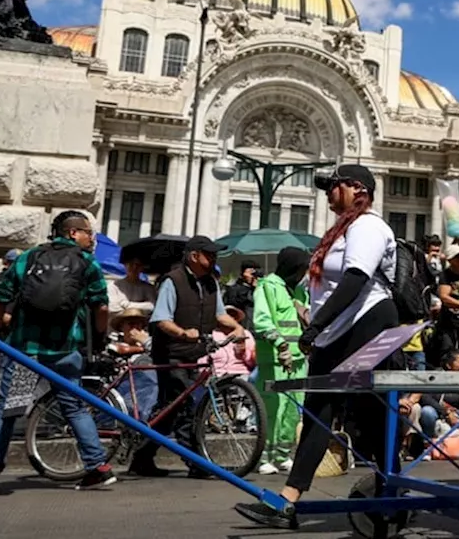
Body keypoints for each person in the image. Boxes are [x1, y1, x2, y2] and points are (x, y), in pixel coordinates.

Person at [235, 164, 399, 530]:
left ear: (357, 189)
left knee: (369, 417)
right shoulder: (341, 231)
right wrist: (316, 323)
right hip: (334, 331)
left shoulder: (369, 226)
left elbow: (356, 278)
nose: (327, 193)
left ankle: (393, 492)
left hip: (368, 322)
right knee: (316, 412)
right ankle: (287, 501)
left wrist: (317, 327)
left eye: (333, 187)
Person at [0, 211, 116, 493]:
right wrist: (98, 338)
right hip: (64, 352)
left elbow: (1, 299)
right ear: (72, 233)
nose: (92, 239)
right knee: (75, 407)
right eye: (88, 232)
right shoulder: (87, 263)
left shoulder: (28, 258)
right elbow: (102, 307)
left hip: (25, 351)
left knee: (9, 409)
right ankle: (97, 467)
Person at [133, 235, 247, 478]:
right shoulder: (172, 281)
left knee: (169, 408)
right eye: (210, 254)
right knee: (185, 408)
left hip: (193, 354)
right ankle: (196, 463)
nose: (214, 258)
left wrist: (237, 327)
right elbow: (161, 319)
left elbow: (219, 315)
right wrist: (183, 333)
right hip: (171, 354)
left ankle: (141, 457)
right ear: (194, 256)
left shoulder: (210, 283)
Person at [251, 247, 311, 475]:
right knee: (272, 409)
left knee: (293, 410)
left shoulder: (296, 291)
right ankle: (264, 456)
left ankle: (282, 454)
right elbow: (263, 321)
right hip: (275, 359)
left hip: (298, 359)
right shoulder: (268, 287)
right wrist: (281, 345)